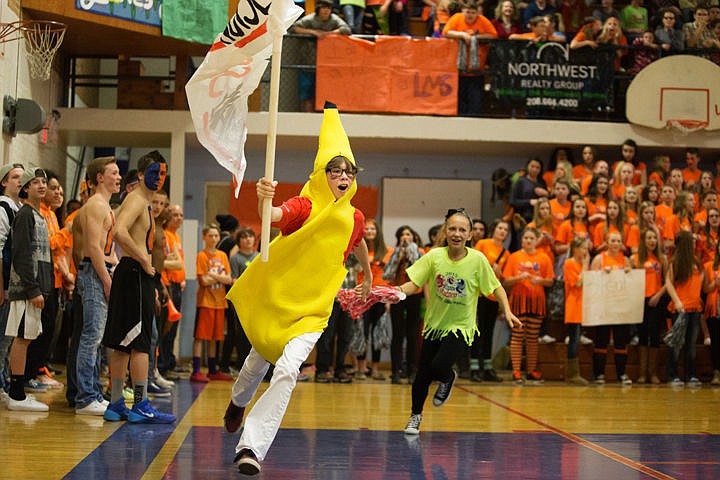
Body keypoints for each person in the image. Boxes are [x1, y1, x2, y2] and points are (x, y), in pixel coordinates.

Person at [223, 103, 372, 475]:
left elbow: (356, 242)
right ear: (323, 175)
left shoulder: (354, 216)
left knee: (288, 370)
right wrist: (264, 196)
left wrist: (368, 276)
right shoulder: (306, 205)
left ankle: (250, 447)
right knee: (256, 362)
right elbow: (272, 217)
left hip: (312, 312)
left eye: (348, 171)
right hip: (279, 303)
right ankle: (237, 402)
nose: (342, 175)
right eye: (335, 170)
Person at [397, 209, 521, 435]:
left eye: (462, 229)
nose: (456, 233)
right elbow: (413, 284)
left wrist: (508, 310)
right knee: (422, 376)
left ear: (470, 234)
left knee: (439, 366)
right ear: (445, 231)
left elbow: (496, 287)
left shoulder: (477, 260)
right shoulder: (434, 256)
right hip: (434, 326)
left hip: (461, 327)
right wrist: (395, 292)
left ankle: (448, 376)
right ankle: (415, 416)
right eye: (452, 228)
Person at [101, 151, 176, 424]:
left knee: (122, 343)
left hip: (130, 274)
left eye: (163, 174)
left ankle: (116, 403)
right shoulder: (137, 200)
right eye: (155, 173)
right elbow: (119, 230)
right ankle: (141, 404)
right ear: (142, 174)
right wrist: (143, 258)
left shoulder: (139, 201)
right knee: (140, 345)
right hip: (134, 273)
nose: (159, 178)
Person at [71, 157, 121, 415]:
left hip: (98, 269)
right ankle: (85, 397)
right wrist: (106, 279)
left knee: (96, 337)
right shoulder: (95, 205)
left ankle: (92, 392)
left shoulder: (104, 206)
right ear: (100, 177)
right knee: (91, 337)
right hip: (94, 271)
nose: (119, 177)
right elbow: (91, 248)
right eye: (114, 173)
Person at [5, 168, 52, 412]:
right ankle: (16, 393)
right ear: (26, 188)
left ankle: (19, 391)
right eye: (35, 182)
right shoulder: (25, 215)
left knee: (28, 337)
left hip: (37, 288)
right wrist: (33, 288)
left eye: (43, 181)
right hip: (25, 290)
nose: (41, 186)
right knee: (22, 339)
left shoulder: (40, 216)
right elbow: (22, 255)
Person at [503, 227, 554, 382]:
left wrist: (540, 281)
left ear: (536, 240)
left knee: (532, 338)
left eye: (532, 238)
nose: (528, 241)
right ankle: (516, 371)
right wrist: (519, 278)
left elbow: (550, 281)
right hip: (519, 301)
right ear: (522, 240)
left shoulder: (544, 257)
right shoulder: (514, 257)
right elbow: (506, 280)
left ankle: (531, 370)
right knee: (517, 336)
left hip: (536, 302)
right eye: (526, 238)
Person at [190, 223, 233, 383]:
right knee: (201, 336)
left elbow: (228, 279)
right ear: (204, 237)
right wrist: (219, 276)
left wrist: (213, 275)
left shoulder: (222, 255)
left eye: (216, 236)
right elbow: (203, 281)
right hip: (206, 301)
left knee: (215, 337)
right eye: (211, 236)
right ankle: (195, 370)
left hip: (220, 302)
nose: (214, 238)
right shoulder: (202, 256)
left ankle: (213, 370)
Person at [290, 0, 351, 112]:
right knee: (306, 92)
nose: (326, 10)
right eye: (323, 8)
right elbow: (293, 28)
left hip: (328, 64)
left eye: (328, 8)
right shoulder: (310, 19)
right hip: (308, 62)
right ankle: (307, 115)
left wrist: (328, 35)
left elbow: (346, 29)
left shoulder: (334, 19)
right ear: (318, 9)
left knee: (327, 93)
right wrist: (313, 32)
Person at [590, 231, 633, 385]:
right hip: (604, 306)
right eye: (613, 241)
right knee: (601, 340)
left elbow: (632, 283)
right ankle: (599, 374)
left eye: (618, 241)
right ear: (607, 242)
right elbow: (591, 281)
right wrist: (601, 274)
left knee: (621, 341)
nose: (616, 244)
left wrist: (629, 274)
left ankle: (621, 374)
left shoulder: (626, 260)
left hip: (620, 306)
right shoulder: (599, 259)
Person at [383, 225, 424, 384]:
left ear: (413, 237)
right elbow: (387, 275)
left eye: (408, 234)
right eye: (402, 235)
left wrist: (411, 255)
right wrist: (398, 258)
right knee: (398, 335)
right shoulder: (393, 253)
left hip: (415, 295)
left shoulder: (420, 253)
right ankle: (395, 371)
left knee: (413, 335)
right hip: (397, 295)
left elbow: (421, 273)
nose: (405, 237)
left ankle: (412, 370)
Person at [665, 230, 704, 387]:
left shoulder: (696, 262)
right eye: (692, 241)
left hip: (695, 308)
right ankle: (672, 375)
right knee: (676, 343)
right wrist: (677, 301)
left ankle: (690, 375)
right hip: (680, 308)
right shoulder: (675, 261)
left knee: (691, 343)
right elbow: (668, 283)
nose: (694, 244)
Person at [356, 219, 391, 380]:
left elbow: (390, 278)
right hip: (361, 297)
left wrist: (389, 300)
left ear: (378, 232)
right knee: (362, 333)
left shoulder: (387, 252)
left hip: (380, 298)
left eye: (372, 229)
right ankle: (361, 368)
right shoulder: (357, 250)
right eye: (367, 229)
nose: (369, 232)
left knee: (377, 333)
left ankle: (375, 368)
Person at [0, 163, 24, 397]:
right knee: (3, 337)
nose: (20, 181)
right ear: (4, 182)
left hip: (16, 284)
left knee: (9, 338)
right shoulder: (3, 208)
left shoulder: (19, 208)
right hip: (5, 283)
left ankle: (4, 380)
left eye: (21, 177)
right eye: (15, 177)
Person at [632, 228, 666, 384]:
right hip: (640, 300)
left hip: (656, 300)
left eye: (654, 238)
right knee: (643, 334)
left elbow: (668, 282)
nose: (652, 241)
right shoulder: (635, 259)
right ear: (643, 241)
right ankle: (642, 373)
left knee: (654, 334)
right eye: (649, 238)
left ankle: (653, 373)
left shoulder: (662, 259)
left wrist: (658, 295)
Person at [222, 227, 257, 374]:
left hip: (256, 301)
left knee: (254, 334)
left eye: (250, 236)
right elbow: (233, 279)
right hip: (241, 301)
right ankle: (241, 365)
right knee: (240, 334)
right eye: (244, 237)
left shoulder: (259, 256)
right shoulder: (235, 258)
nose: (248, 239)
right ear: (239, 241)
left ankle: (254, 368)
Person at [159, 204, 185, 376]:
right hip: (167, 285)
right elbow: (169, 262)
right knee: (165, 329)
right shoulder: (165, 236)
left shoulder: (175, 236)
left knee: (172, 329)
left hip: (176, 285)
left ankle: (167, 363)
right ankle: (162, 366)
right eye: (174, 215)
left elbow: (178, 263)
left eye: (180, 215)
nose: (178, 218)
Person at [563, 237, 590, 385]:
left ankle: (574, 373)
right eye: (582, 248)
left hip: (583, 305)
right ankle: (572, 374)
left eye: (586, 248)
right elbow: (577, 283)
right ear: (575, 249)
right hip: (573, 304)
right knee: (573, 339)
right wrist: (585, 267)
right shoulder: (569, 263)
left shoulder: (583, 264)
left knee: (577, 338)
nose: (585, 251)